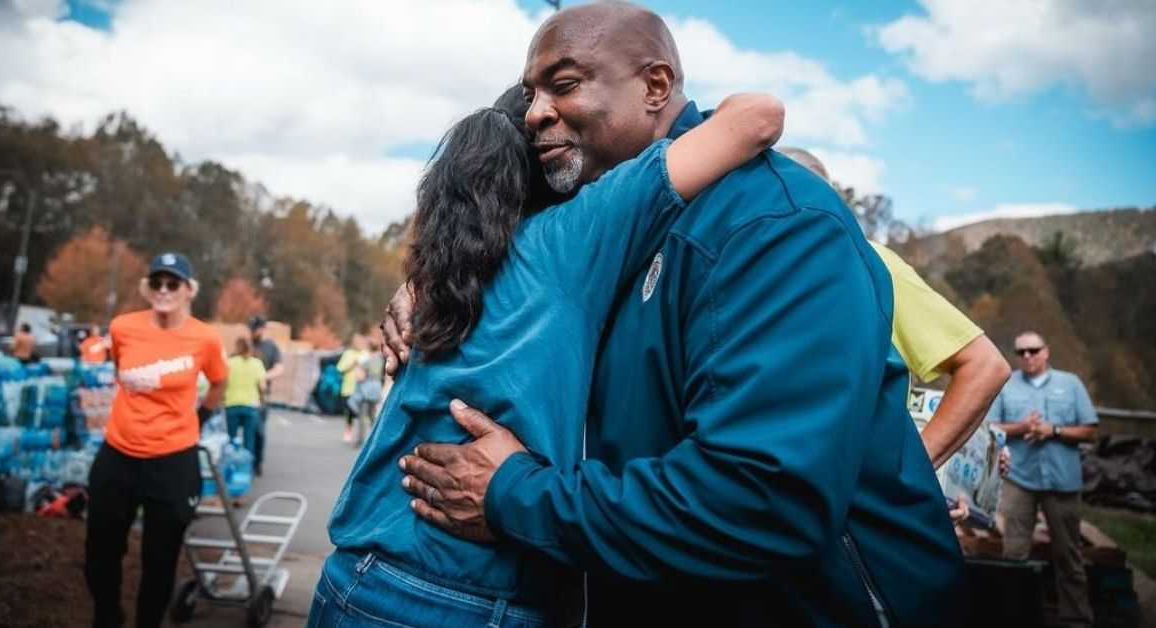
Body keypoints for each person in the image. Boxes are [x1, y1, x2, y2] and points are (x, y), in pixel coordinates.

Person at [389, 3, 966, 625]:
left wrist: (513, 495)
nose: (535, 113)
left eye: (564, 84)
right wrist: (426, 284)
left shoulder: (770, 224)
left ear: (655, 86)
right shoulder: (598, 235)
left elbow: (761, 499)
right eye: (530, 94)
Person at [310, 79, 785, 627]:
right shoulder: (573, 236)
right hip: (465, 598)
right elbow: (757, 117)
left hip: (355, 578)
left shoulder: (447, 272)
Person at [781, 146, 1012, 521]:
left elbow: (984, 365)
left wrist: (908, 478)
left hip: (844, 518)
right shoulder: (737, 268)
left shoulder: (870, 264)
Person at [84, 251, 228, 628]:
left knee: (160, 560)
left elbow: (218, 382)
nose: (164, 289)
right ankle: (107, 615)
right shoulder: (122, 327)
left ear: (187, 290)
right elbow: (121, 372)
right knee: (99, 553)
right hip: (119, 454)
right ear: (148, 287)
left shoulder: (205, 338)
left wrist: (201, 417)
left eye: (173, 283)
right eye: (157, 282)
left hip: (173, 460)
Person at [988, 331, 1098, 627]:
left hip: (1062, 481)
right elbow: (991, 426)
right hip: (1019, 479)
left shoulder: (1070, 384)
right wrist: (1022, 427)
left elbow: (1089, 431)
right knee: (1013, 554)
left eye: (1033, 350)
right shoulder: (1006, 383)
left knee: (1068, 554)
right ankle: (1014, 617)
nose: (1027, 356)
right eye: (1020, 352)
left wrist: (1054, 431)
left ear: (1046, 352)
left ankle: (1076, 619)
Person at [248, 315, 284, 476]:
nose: (253, 332)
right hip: (243, 394)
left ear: (263, 329)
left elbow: (279, 368)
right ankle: (245, 462)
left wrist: (263, 375)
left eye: (256, 329)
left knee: (259, 431)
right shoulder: (246, 344)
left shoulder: (270, 347)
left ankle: (257, 463)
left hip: (261, 395)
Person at [224, 336, 267, 456]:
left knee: (231, 437)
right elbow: (262, 386)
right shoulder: (257, 363)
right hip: (251, 404)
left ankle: (231, 464)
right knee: (249, 439)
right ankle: (246, 467)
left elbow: (223, 384)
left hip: (232, 404)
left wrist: (222, 399)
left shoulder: (230, 363)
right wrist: (262, 400)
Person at [335, 333, 370, 443]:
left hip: (364, 388)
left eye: (361, 342)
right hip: (349, 387)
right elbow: (340, 368)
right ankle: (348, 431)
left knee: (364, 412)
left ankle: (363, 434)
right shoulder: (348, 353)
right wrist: (352, 364)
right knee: (349, 412)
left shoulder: (366, 354)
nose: (359, 344)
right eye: (357, 342)